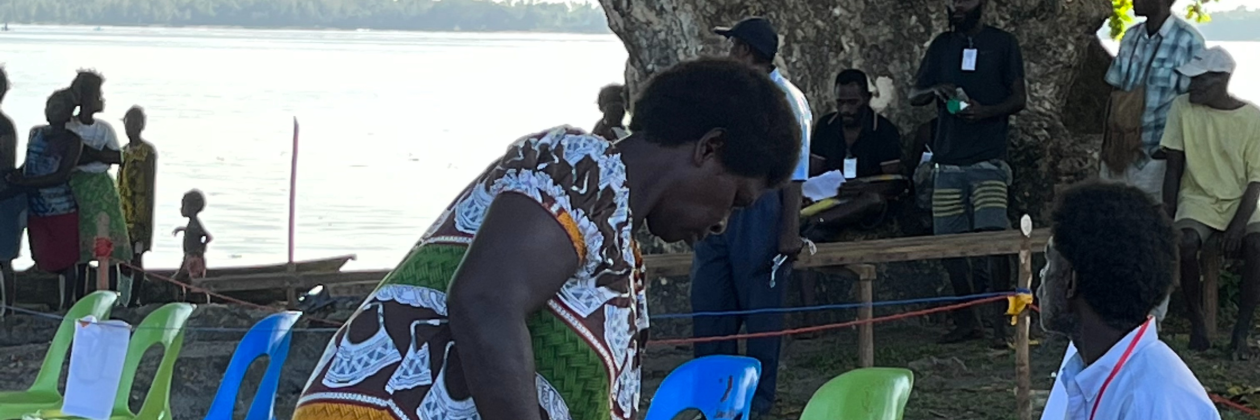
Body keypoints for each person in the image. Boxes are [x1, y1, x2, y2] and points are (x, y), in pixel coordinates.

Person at [293, 58, 801, 420]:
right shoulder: (579, 168)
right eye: (735, 200)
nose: (721, 225)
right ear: (709, 148)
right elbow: (486, 300)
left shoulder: (612, 234)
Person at [689, 17, 810, 416]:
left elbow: (796, 173)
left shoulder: (786, 100)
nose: (728, 55)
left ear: (744, 51)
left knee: (761, 320)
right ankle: (713, 403)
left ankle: (755, 407)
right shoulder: (731, 96)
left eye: (732, 47)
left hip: (761, 210)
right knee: (710, 311)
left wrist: (788, 231)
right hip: (718, 205)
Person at [1038, 182, 1219, 420]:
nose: (1041, 275)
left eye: (1049, 263)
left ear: (1070, 281)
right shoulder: (1087, 371)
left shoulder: (1149, 402)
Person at [910, 0, 1026, 344]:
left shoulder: (1003, 43)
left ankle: (1002, 323)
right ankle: (968, 319)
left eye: (964, 1)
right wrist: (935, 90)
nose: (956, 6)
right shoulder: (941, 46)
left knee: (994, 241)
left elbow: (1020, 99)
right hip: (947, 161)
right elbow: (914, 94)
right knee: (950, 246)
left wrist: (986, 111)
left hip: (989, 159)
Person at [1159, 47, 1260, 358]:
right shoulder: (1182, 109)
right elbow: (1173, 167)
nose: (1192, 87)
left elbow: (1256, 180)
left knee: (1257, 245)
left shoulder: (1252, 118)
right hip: (1198, 198)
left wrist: (1238, 225)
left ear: (1222, 81)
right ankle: (1197, 323)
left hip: (1240, 201)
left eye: (1199, 81)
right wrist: (1168, 217)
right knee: (1186, 242)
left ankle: (1240, 334)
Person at [1099, 0, 1204, 201]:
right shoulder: (1131, 36)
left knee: (1148, 224)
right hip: (1119, 152)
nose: (1133, 1)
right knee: (1111, 220)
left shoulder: (1188, 41)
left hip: (1154, 157)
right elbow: (1114, 93)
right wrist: (1106, 146)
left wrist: (1172, 156)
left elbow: (1194, 104)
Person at [8, 90, 85, 309]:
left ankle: (67, 303)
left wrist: (24, 183)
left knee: (67, 260)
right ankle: (53, 300)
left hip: (61, 208)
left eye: (57, 107)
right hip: (36, 206)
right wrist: (17, 176)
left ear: (69, 113)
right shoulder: (36, 133)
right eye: (49, 105)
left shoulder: (72, 140)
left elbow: (61, 175)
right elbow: (29, 164)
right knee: (42, 256)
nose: (50, 110)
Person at [805, 69, 905, 235]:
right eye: (840, 102)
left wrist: (864, 187)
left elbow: (893, 182)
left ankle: (817, 222)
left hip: (864, 201)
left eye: (852, 102)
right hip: (831, 198)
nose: (845, 109)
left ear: (867, 98)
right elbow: (814, 170)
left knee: (873, 200)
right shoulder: (826, 126)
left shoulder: (884, 130)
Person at [66, 70, 133, 300]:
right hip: (79, 188)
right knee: (81, 250)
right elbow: (74, 159)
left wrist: (87, 152)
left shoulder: (103, 128)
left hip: (102, 190)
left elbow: (116, 157)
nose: (101, 99)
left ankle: (111, 296)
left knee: (109, 247)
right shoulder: (70, 127)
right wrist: (97, 154)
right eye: (97, 95)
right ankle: (79, 297)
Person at [117, 105, 157, 305]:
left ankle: (133, 299)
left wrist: (144, 220)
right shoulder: (122, 151)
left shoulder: (147, 152)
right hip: (123, 211)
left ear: (142, 125)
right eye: (128, 123)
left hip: (140, 214)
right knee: (122, 257)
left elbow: (149, 187)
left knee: (136, 258)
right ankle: (123, 297)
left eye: (135, 123)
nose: (131, 127)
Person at [0, 66, 23, 317]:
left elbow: (5, 163)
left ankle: (9, 312)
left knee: (5, 259)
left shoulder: (4, 126)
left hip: (4, 197)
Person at [173, 190, 210, 282]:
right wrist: (183, 229)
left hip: (193, 257)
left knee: (187, 278)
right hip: (188, 255)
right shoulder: (193, 224)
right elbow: (193, 231)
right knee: (181, 277)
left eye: (183, 206)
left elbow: (207, 236)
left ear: (191, 208)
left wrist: (199, 251)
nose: (181, 209)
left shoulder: (195, 224)